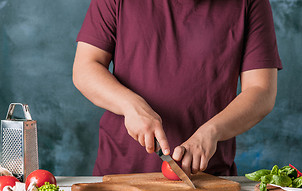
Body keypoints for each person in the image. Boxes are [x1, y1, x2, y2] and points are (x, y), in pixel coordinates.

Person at [72, 0, 282, 177]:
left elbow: (261, 90)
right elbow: (85, 68)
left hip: (207, 178)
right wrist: (130, 105)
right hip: (120, 175)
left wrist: (212, 131)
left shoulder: (250, 3)